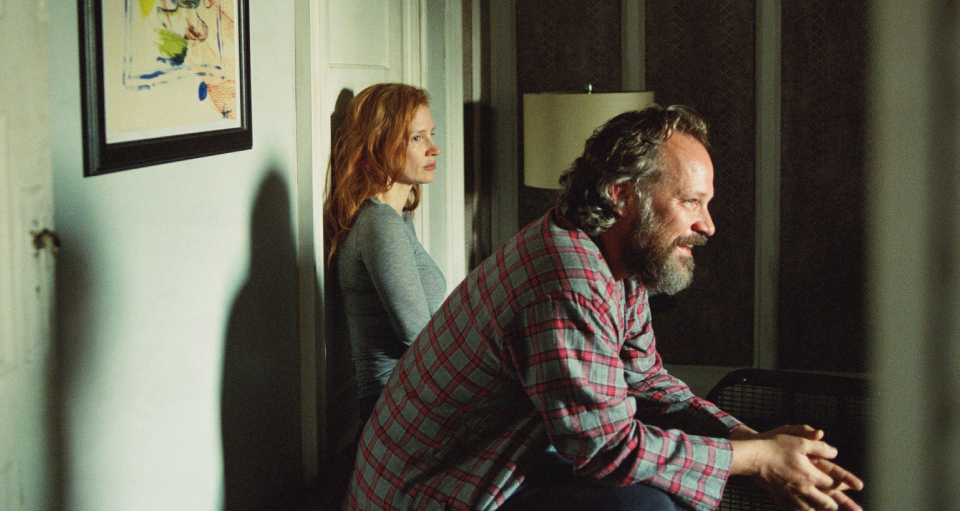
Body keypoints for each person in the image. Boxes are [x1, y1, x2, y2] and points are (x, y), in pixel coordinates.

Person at [344, 105, 864, 511]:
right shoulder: (567, 282)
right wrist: (757, 460)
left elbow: (647, 380)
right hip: (425, 494)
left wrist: (752, 439)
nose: (707, 226)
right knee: (645, 506)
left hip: (492, 464)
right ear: (621, 195)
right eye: (690, 202)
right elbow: (608, 450)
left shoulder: (612, 257)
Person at [324, 83, 448, 422]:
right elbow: (417, 337)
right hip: (396, 408)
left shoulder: (397, 218)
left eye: (431, 135)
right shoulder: (380, 225)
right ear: (380, 144)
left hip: (415, 396)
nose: (434, 149)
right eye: (417, 138)